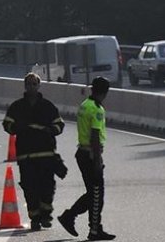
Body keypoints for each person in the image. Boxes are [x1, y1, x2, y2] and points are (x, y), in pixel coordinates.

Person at [2, 73, 64, 230]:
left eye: (34, 84)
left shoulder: (48, 106)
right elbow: (7, 124)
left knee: (47, 186)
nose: (31, 87)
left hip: (46, 154)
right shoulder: (17, 106)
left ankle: (46, 215)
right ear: (25, 86)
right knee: (30, 187)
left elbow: (59, 125)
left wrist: (49, 131)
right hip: (26, 155)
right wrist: (18, 128)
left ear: (39, 86)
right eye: (29, 84)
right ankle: (35, 217)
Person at [58, 77, 116, 240]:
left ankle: (93, 228)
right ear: (105, 92)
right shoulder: (97, 109)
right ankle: (74, 218)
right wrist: (97, 160)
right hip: (91, 154)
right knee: (97, 194)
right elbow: (95, 136)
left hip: (82, 153)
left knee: (93, 193)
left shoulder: (84, 105)